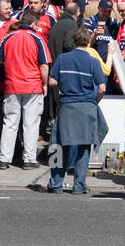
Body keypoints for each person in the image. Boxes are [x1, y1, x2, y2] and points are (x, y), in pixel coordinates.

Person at [45, 26, 108, 195]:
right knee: (84, 147)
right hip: (86, 107)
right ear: (88, 42)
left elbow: (51, 81)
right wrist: (94, 102)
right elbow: (102, 88)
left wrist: (60, 91)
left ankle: (56, 183)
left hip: (67, 106)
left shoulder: (62, 59)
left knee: (58, 146)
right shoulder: (93, 62)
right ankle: (79, 185)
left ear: (74, 41)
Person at [0, 10, 51, 170]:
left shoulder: (9, 37)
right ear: (34, 24)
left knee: (10, 122)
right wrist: (44, 84)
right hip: (32, 85)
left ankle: (4, 159)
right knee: (30, 124)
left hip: (12, 85)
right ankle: (29, 159)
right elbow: (44, 64)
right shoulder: (37, 38)